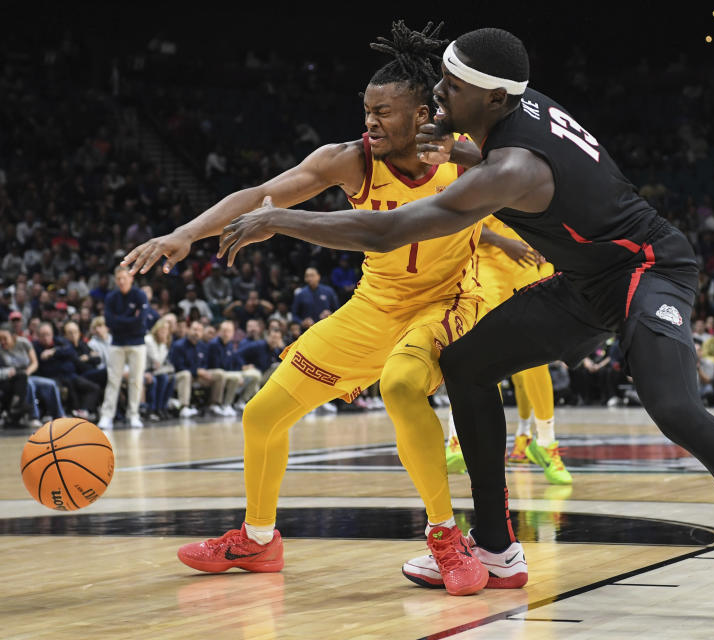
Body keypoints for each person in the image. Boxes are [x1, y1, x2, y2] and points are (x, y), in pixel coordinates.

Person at [178, 27, 714, 628]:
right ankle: (496, 548)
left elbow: (389, 229)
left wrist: (279, 218)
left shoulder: (512, 164)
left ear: (495, 99)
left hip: (648, 270)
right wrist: (457, 138)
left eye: (450, 88)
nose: (439, 97)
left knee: (677, 410)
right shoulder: (508, 117)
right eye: (439, 82)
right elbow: (484, 151)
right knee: (467, 365)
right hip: (587, 278)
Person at [125, 22, 495, 596]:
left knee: (401, 387)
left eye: (386, 112)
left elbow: (535, 172)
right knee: (261, 415)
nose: (371, 122)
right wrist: (186, 234)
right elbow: (260, 196)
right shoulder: (349, 160)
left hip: (451, 300)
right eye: (367, 110)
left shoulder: (468, 155)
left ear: (424, 114)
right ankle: (258, 538)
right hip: (376, 305)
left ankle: (447, 535)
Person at [447, 216, 570, 484]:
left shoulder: (534, 178)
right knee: (479, 353)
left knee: (537, 357)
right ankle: (459, 439)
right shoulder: (463, 175)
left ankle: (545, 443)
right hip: (484, 269)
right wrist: (504, 242)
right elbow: (460, 222)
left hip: (527, 266)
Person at [99, 265, 148, 429]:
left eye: (124, 278)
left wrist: (120, 320)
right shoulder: (111, 297)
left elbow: (140, 321)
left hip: (137, 343)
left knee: (136, 381)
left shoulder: (140, 295)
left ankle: (133, 415)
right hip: (117, 343)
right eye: (118, 279)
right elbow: (109, 322)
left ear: (131, 278)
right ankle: (107, 416)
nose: (121, 281)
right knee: (113, 380)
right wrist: (129, 319)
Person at [169, 320, 227, 418]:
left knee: (219, 374)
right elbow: (178, 366)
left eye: (199, 330)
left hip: (199, 376)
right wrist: (196, 371)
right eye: (194, 329)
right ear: (188, 330)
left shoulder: (203, 346)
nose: (196, 333)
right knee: (186, 374)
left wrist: (203, 371)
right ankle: (184, 407)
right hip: (181, 377)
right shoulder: (178, 345)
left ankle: (214, 404)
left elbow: (205, 364)